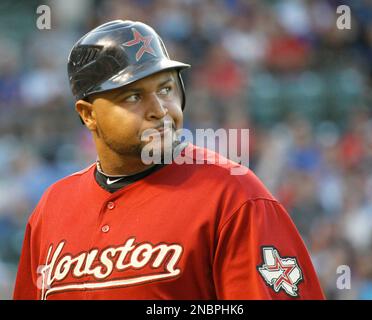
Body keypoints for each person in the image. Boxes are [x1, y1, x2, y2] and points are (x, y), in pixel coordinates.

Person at [13, 20, 324, 300]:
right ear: (88, 114)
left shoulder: (234, 196)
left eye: (165, 89)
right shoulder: (52, 208)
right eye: (133, 96)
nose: (160, 110)